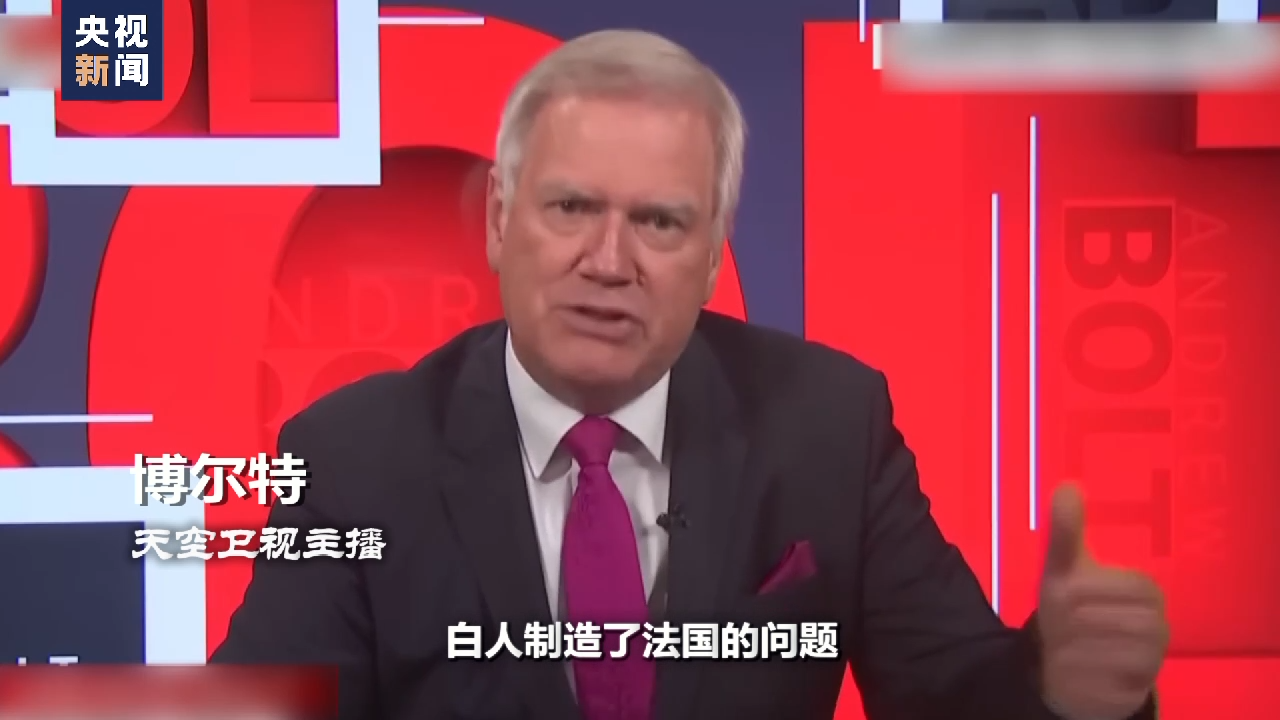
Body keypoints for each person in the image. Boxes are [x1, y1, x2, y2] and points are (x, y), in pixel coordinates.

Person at [213, 29, 1169, 720]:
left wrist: (1062, 692)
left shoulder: (828, 428)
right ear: (500, 219)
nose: (609, 261)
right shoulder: (356, 460)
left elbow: (955, 696)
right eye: (572, 208)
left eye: (659, 222)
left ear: (713, 255)